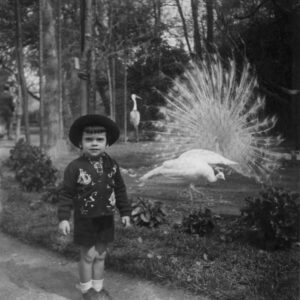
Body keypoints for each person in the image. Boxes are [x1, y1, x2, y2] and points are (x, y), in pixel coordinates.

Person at [58, 114, 132, 300]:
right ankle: (86, 290)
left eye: (99, 139)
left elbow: (120, 189)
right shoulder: (75, 167)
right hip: (86, 219)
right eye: (88, 139)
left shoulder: (112, 165)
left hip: (106, 218)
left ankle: (98, 289)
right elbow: (66, 193)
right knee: (88, 255)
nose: (94, 143)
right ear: (80, 143)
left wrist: (125, 212)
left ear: (107, 143)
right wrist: (64, 218)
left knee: (100, 254)